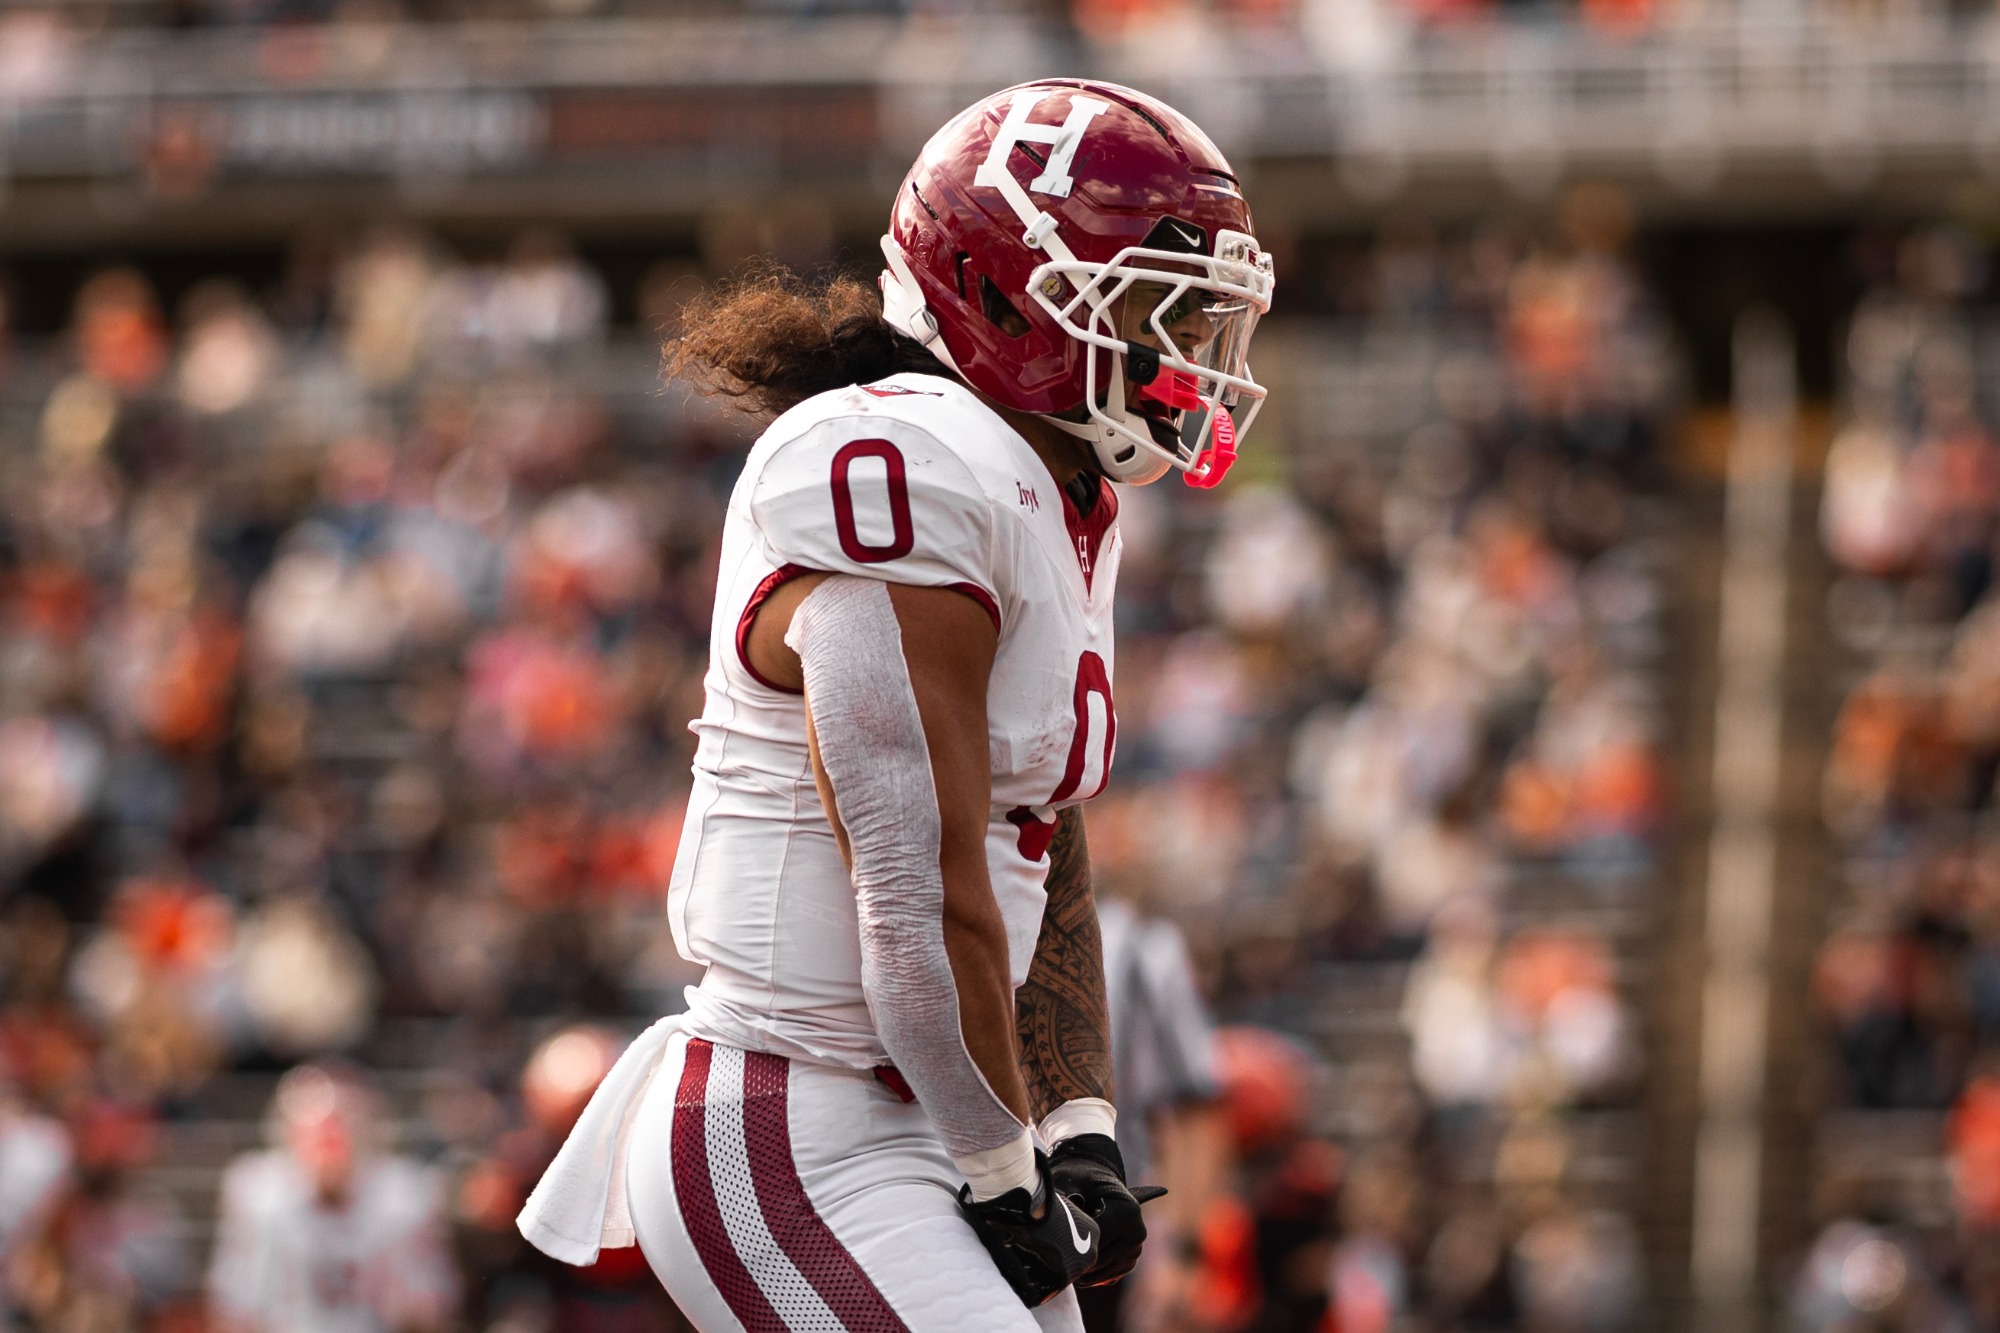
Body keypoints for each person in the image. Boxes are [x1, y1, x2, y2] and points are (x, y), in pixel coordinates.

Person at [517, 78, 1274, 1332]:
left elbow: (1039, 827)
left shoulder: (1050, 489)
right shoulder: (902, 461)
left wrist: (1077, 1124)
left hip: (924, 1113)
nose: (1184, 347)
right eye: (1151, 306)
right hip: (795, 1118)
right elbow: (911, 880)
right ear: (1003, 292)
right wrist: (1002, 1161)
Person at [207, 1063, 458, 1333]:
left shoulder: (403, 1195)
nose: (329, 1136)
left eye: (341, 1123)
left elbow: (429, 1309)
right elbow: (236, 1309)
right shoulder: (260, 1194)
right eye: (317, 1129)